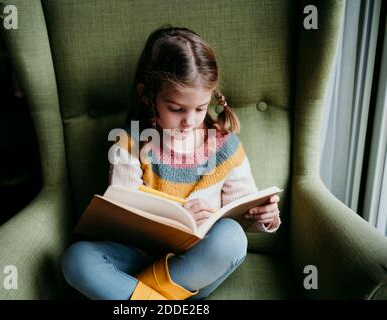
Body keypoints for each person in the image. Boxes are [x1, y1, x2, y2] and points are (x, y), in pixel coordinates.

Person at [61, 25, 281, 300]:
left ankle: (137, 297)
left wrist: (265, 218)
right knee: (77, 259)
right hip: (136, 256)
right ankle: (162, 300)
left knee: (233, 238)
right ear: (148, 96)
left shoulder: (225, 147)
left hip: (194, 264)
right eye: (176, 109)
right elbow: (123, 212)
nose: (189, 120)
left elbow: (244, 207)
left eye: (200, 108)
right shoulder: (131, 143)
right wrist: (178, 212)